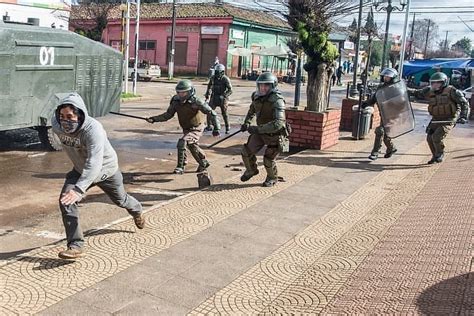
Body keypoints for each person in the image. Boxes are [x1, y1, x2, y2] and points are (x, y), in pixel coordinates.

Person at [52, 93, 144, 260]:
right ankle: (75, 245)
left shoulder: (93, 129)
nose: (65, 121)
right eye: (62, 116)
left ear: (79, 115)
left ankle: (137, 210)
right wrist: (76, 189)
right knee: (66, 200)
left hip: (105, 170)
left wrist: (79, 189)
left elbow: (94, 162)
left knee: (121, 200)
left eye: (70, 117)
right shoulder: (56, 124)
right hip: (80, 170)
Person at [147, 80, 220, 174]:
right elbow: (168, 115)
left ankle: (180, 166)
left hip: (197, 127)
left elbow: (211, 113)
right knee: (192, 145)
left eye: (184, 92)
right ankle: (203, 163)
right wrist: (154, 119)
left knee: (182, 142)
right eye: (179, 92)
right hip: (186, 128)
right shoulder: (176, 101)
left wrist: (216, 128)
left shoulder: (197, 101)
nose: (181, 95)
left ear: (190, 91)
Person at [240, 72, 290, 187]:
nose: (263, 88)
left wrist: (257, 129)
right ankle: (251, 170)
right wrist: (246, 123)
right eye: (261, 85)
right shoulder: (256, 96)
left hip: (275, 134)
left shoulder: (278, 101)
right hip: (260, 132)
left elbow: (278, 123)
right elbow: (252, 110)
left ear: (273, 86)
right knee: (246, 151)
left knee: (268, 159)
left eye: (266, 85)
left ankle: (272, 177)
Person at [408, 72, 469, 164]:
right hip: (436, 119)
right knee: (429, 138)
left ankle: (440, 154)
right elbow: (417, 93)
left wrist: (463, 116)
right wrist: (403, 89)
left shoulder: (452, 91)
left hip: (448, 119)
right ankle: (435, 155)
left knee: (437, 137)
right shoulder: (429, 90)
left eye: (438, 82)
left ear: (444, 82)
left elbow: (464, 103)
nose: (435, 85)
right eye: (433, 83)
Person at [362, 68, 400, 160]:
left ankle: (375, 152)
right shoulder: (381, 87)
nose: (386, 78)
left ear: (393, 78)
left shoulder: (397, 88)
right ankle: (391, 148)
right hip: (383, 114)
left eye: (388, 77)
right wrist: (366, 103)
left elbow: (401, 102)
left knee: (380, 131)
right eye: (385, 76)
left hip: (392, 115)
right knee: (386, 135)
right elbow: (375, 98)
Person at [204, 64, 233, 134]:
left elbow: (230, 90)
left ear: (222, 72)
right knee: (209, 111)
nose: (217, 74)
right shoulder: (213, 78)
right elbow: (209, 86)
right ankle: (209, 126)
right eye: (216, 72)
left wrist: (224, 96)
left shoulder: (225, 79)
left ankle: (227, 126)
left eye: (218, 72)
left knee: (224, 113)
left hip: (222, 98)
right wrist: (207, 94)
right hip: (214, 97)